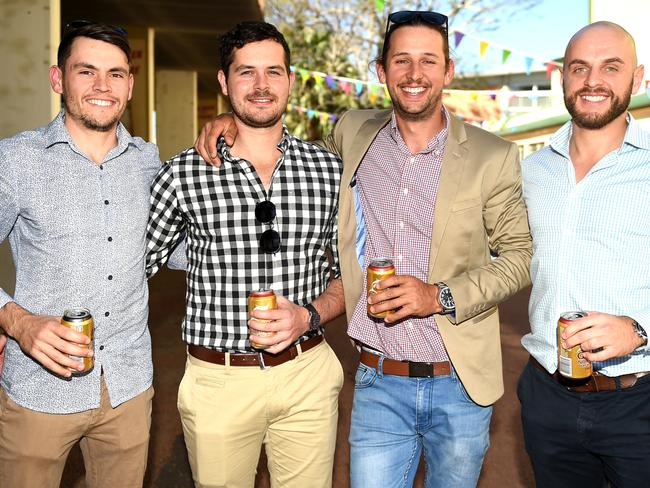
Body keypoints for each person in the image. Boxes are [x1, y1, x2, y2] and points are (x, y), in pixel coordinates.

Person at [196, 11, 532, 488]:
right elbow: (289, 158)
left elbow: (519, 257)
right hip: (377, 380)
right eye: (401, 61)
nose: (415, 74)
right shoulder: (353, 133)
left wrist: (439, 296)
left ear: (448, 71)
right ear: (380, 71)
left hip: (459, 383)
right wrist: (234, 119)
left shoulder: (491, 155)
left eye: (428, 61)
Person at [146, 21, 344, 488]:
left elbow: (349, 275)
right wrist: (24, 320)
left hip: (308, 374)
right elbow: (129, 266)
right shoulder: (184, 173)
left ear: (291, 80)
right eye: (246, 72)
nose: (261, 86)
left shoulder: (328, 170)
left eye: (273, 72)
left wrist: (310, 316)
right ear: (223, 81)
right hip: (219, 382)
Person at [0, 21, 159, 487]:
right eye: (86, 71)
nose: (102, 86)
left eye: (115, 73)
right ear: (58, 79)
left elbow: (175, 250)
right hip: (39, 390)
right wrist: (16, 320)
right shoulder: (16, 160)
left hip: (129, 387)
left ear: (130, 85)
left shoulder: (150, 163)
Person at [518, 21, 650, 488]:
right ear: (563, 79)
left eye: (610, 67)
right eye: (580, 68)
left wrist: (640, 329)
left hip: (639, 399)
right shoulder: (529, 171)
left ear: (637, 79)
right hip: (546, 396)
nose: (593, 81)